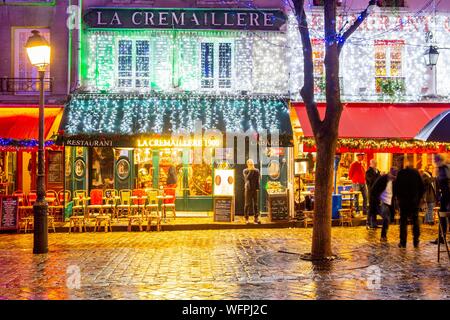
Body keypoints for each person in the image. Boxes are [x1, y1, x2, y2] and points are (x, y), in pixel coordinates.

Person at [394, 159, 425, 248]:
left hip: (403, 202)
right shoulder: (415, 173)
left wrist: (398, 199)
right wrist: (418, 198)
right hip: (414, 202)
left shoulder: (400, 174)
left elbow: (396, 188)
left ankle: (403, 242)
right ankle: (416, 241)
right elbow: (422, 187)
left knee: (403, 222)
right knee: (415, 221)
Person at [370, 167, 398, 242]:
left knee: (388, 219)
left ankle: (384, 235)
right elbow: (373, 190)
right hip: (381, 201)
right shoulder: (382, 179)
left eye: (394, 177)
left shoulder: (395, 182)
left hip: (389, 202)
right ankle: (383, 236)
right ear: (389, 174)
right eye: (392, 176)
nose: (393, 178)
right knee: (386, 217)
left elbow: (394, 195)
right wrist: (377, 200)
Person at [431, 154, 450, 245]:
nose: (434, 161)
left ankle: (442, 237)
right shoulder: (444, 167)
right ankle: (442, 236)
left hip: (446, 197)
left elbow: (445, 184)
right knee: (445, 217)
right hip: (445, 197)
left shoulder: (443, 168)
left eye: (435, 160)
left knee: (443, 217)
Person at [348, 153, 368, 217]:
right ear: (358, 156)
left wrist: (365, 179)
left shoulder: (362, 164)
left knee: (365, 196)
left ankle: (365, 211)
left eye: (363, 155)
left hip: (363, 182)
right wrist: (354, 180)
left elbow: (364, 172)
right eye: (361, 155)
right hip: (356, 183)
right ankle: (357, 211)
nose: (362, 157)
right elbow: (350, 173)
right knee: (356, 197)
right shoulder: (354, 164)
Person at [243, 159, 260, 224]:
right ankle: (246, 218)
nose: (252, 165)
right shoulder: (245, 171)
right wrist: (251, 170)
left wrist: (258, 188)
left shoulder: (257, 171)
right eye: (250, 164)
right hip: (248, 189)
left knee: (255, 204)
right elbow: (247, 178)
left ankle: (256, 218)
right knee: (247, 204)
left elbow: (257, 180)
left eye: (252, 164)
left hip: (254, 189)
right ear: (247, 164)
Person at [366, 159, 381, 228]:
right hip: (372, 192)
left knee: (374, 208)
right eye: (374, 163)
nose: (375, 165)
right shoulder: (368, 172)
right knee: (371, 208)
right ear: (371, 164)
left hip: (377, 192)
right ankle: (368, 223)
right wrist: (378, 175)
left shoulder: (377, 171)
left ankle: (374, 224)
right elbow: (371, 181)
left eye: (376, 163)